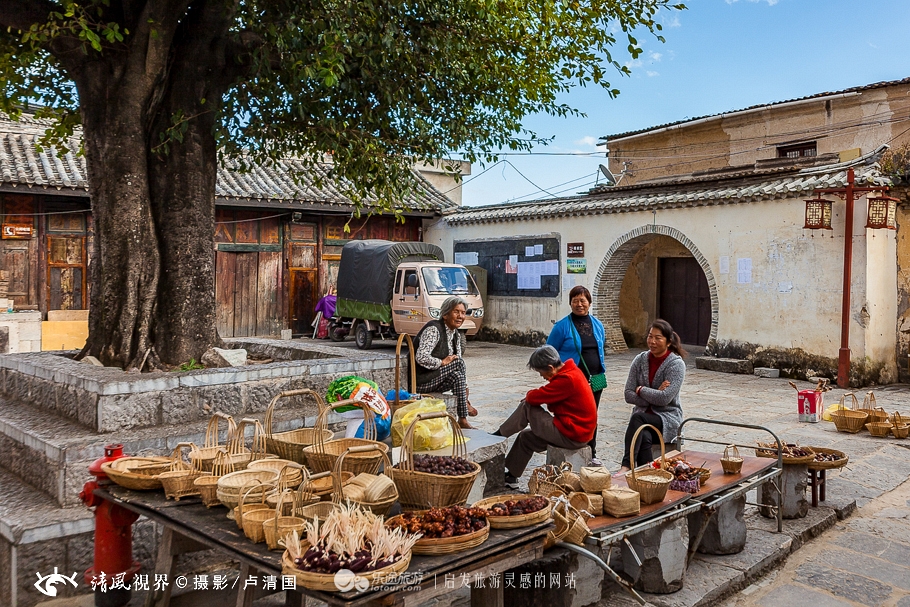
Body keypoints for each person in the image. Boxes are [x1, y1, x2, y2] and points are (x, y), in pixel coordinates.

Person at [493, 345, 597, 489]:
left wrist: (529, 398)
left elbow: (535, 397)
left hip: (572, 434)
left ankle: (498, 436)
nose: (542, 377)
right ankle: (512, 476)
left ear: (550, 367)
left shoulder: (567, 379)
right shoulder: (572, 371)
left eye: (541, 372)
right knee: (526, 437)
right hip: (572, 431)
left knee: (527, 406)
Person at [546, 285, 606, 464]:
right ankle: (571, 447)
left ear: (589, 302)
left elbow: (600, 349)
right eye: (575, 301)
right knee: (572, 415)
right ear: (570, 303)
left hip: (595, 379)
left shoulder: (597, 324)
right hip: (572, 382)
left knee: (591, 415)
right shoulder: (562, 326)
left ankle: (591, 452)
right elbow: (549, 351)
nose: (579, 304)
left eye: (583, 300)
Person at [621, 319, 687, 471]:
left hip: (666, 418)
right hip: (644, 419)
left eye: (658, 338)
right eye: (650, 336)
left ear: (668, 341)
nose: (652, 341)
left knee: (637, 418)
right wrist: (656, 392)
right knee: (643, 434)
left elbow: (665, 399)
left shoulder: (676, 364)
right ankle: (649, 473)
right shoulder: (640, 359)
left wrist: (641, 389)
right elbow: (627, 394)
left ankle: (626, 465)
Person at [413, 296, 478, 429]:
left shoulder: (455, 334)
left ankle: (463, 420)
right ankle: (465, 401)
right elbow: (420, 357)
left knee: (458, 376)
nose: (460, 316)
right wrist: (441, 362)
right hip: (421, 382)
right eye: (456, 312)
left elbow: (456, 362)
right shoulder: (434, 329)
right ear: (445, 315)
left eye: (463, 313)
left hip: (436, 380)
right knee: (458, 363)